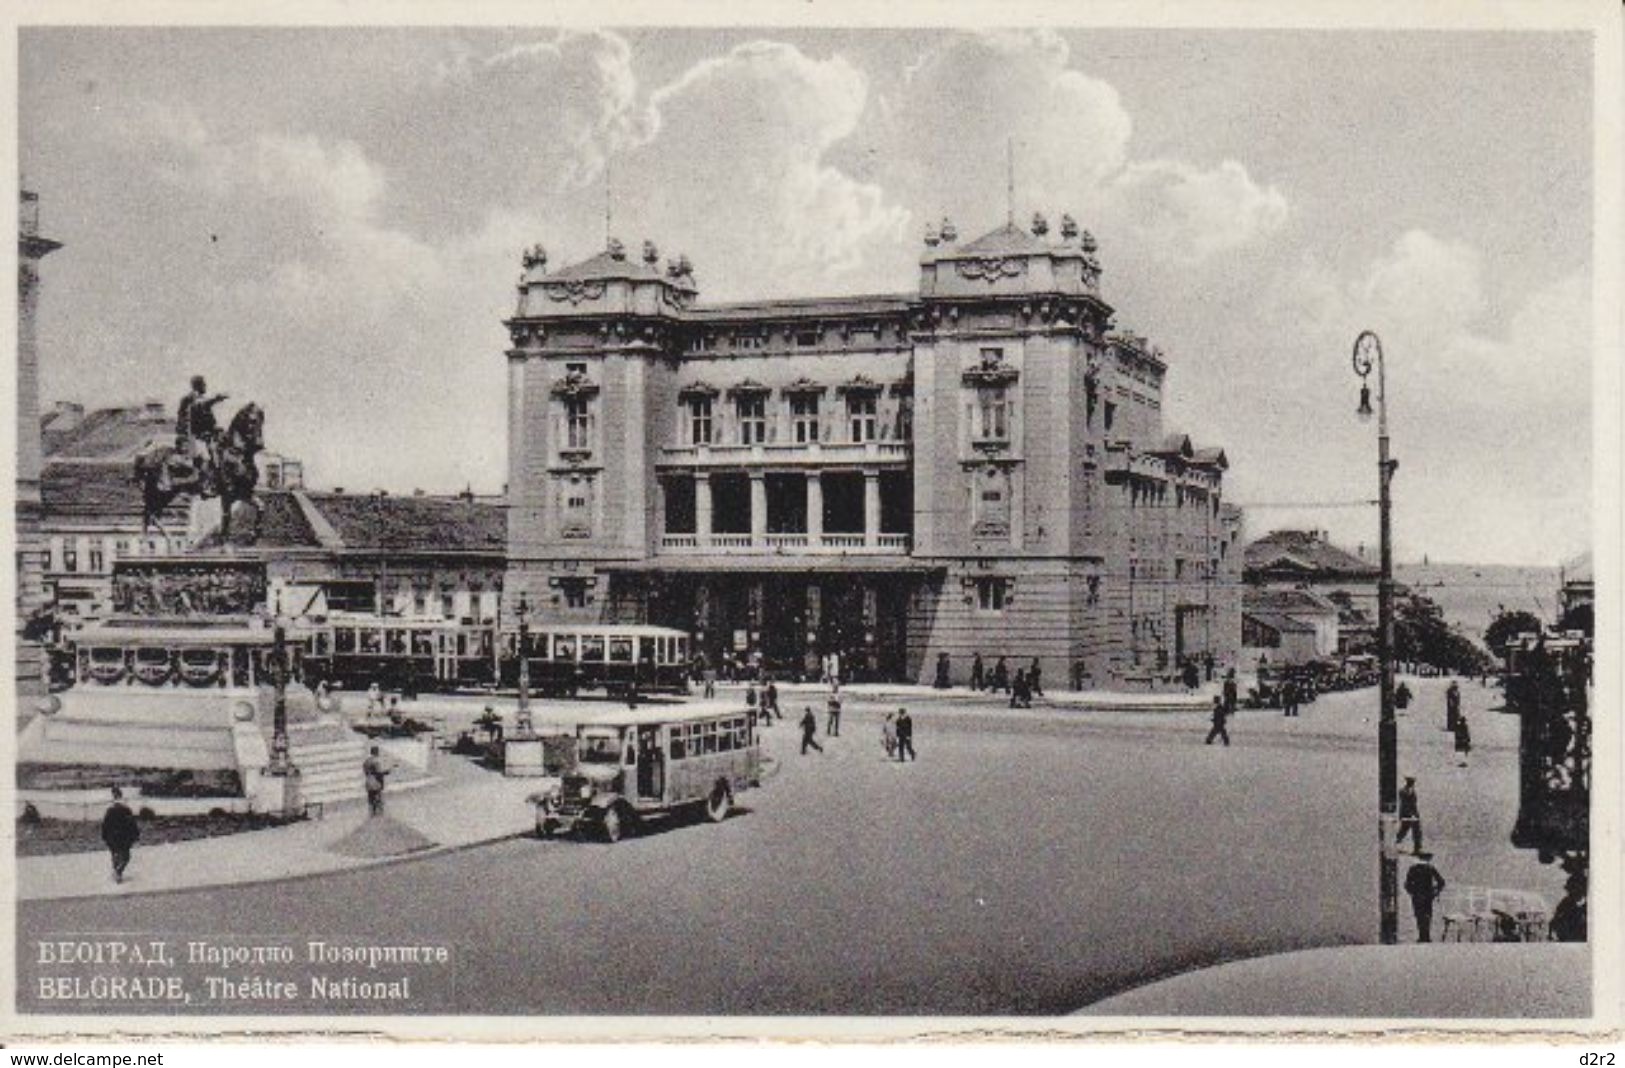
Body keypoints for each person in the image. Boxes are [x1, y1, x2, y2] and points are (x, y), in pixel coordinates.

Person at [175, 375, 229, 473]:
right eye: (203, 384)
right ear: (198, 386)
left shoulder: (200, 399)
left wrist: (216, 428)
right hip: (195, 436)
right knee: (206, 457)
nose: (205, 386)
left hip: (206, 434)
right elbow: (198, 407)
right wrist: (216, 399)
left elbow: (208, 418)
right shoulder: (190, 399)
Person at [100, 787, 140, 884]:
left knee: (115, 855)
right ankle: (118, 872)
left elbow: (105, 825)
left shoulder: (110, 811)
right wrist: (135, 835)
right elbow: (132, 824)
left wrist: (104, 836)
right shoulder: (126, 810)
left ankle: (117, 872)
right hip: (123, 837)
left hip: (113, 837)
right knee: (125, 857)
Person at [1404, 852, 1447, 942]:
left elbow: (1407, 884)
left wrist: (1413, 892)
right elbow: (1441, 882)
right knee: (1427, 915)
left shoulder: (1413, 869)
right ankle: (1426, 936)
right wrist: (1435, 891)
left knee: (1419, 915)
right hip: (1428, 896)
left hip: (1417, 896)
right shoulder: (1430, 868)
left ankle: (1422, 936)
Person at [1397, 776, 1423, 853]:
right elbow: (1405, 804)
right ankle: (1394, 842)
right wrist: (1409, 814)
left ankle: (1417, 848)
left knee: (1417, 831)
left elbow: (1414, 804)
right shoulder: (1402, 791)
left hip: (1413, 814)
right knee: (1404, 830)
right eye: (1411, 782)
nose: (1412, 784)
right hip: (1406, 814)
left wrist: (1416, 814)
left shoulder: (1413, 791)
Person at [363, 745, 391, 816]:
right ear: (377, 752)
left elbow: (366, 772)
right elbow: (379, 772)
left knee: (371, 802)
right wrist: (387, 772)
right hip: (375, 783)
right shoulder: (376, 761)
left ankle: (372, 815)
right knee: (378, 802)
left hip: (368, 783)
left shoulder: (366, 761)